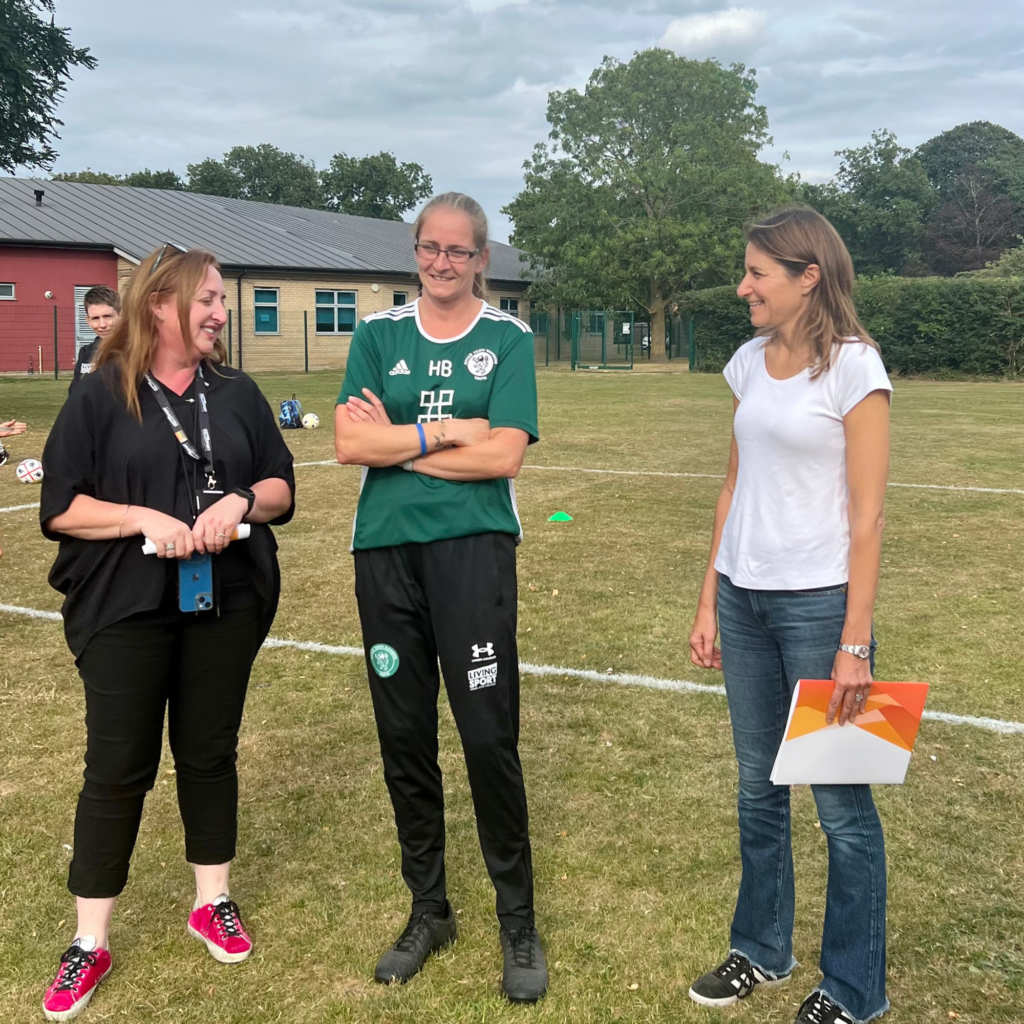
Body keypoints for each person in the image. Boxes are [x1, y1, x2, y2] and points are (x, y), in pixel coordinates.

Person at [38, 245, 295, 1022]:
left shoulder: (238, 391)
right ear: (160, 306)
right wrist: (140, 516)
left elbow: (283, 487)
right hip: (125, 608)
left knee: (209, 753)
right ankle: (90, 940)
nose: (221, 312)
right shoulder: (100, 395)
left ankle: (209, 900)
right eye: (209, 299)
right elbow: (60, 507)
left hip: (225, 604)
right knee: (117, 766)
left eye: (223, 300)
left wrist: (241, 504)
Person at [334, 192, 547, 1003]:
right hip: (384, 557)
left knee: (489, 737)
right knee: (405, 737)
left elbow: (504, 460)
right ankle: (429, 909)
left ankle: (515, 917)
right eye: (431, 248)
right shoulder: (378, 334)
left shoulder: (508, 339)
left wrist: (402, 451)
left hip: (474, 556)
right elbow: (352, 442)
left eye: (459, 251)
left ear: (482, 259)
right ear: (415, 251)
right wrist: (447, 432)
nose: (443, 263)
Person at [686, 206, 893, 1024]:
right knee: (757, 787)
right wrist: (708, 596)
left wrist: (855, 643)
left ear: (809, 277)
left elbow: (869, 517)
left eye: (757, 274)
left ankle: (854, 989)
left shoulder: (855, 369)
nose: (744, 288)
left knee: (843, 805)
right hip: (742, 597)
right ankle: (762, 949)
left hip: (820, 609)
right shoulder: (744, 363)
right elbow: (733, 487)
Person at [72, 285, 122, 384]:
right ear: (88, 321)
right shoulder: (86, 353)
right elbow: (75, 394)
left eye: (107, 316)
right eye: (95, 318)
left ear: (121, 316)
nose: (102, 325)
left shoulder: (135, 350)